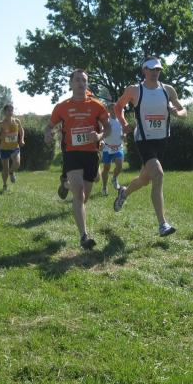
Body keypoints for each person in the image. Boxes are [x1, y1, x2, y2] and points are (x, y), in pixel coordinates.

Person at [113, 56, 186, 236]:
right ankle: (163, 224)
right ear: (144, 70)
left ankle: (124, 193)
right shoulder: (134, 90)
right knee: (158, 175)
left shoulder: (168, 90)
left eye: (158, 69)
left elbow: (183, 111)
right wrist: (124, 124)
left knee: (144, 180)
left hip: (162, 141)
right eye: (152, 69)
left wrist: (177, 113)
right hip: (144, 140)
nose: (155, 72)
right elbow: (118, 107)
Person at [45, 69, 109, 249]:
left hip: (91, 154)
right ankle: (84, 237)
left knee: (84, 197)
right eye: (78, 80)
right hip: (72, 153)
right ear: (71, 84)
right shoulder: (62, 107)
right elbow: (49, 126)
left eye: (84, 80)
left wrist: (99, 136)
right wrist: (48, 133)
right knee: (79, 193)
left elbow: (108, 128)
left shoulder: (97, 105)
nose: (81, 83)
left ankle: (65, 185)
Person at [0, 103, 25, 191]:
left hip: (15, 148)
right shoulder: (1, 124)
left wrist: (21, 139)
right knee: (5, 169)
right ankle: (5, 185)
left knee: (17, 163)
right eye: (8, 110)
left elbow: (21, 130)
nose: (10, 112)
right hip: (4, 149)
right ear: (4, 112)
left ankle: (11, 172)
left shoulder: (17, 121)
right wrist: (1, 136)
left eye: (11, 110)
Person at [100, 106, 125, 196]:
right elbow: (101, 132)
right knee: (106, 168)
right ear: (109, 110)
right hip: (107, 148)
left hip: (118, 147)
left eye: (116, 109)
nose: (114, 111)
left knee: (119, 165)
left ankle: (114, 178)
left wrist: (124, 135)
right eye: (112, 109)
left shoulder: (121, 118)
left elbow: (124, 129)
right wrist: (101, 141)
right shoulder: (106, 120)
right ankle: (104, 187)